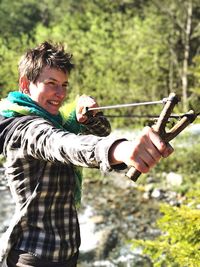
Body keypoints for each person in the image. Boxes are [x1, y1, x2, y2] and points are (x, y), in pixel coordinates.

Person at [0, 41, 173, 267]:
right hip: (33, 257)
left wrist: (89, 116)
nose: (60, 93)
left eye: (64, 85)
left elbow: (103, 131)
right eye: (51, 83)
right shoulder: (21, 128)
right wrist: (122, 149)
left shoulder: (59, 121)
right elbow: (63, 145)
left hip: (67, 252)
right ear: (26, 84)